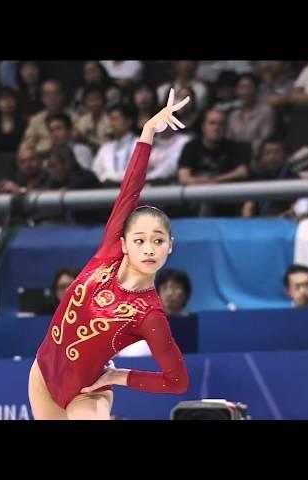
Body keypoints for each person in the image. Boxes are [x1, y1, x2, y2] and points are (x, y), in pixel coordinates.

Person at [29, 89, 190, 420]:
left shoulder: (150, 314)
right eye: (140, 240)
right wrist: (147, 132)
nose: (149, 248)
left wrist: (120, 377)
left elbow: (177, 381)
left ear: (169, 246)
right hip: (43, 373)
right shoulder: (109, 252)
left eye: (158, 241)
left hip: (87, 393)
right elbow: (130, 189)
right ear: (125, 242)